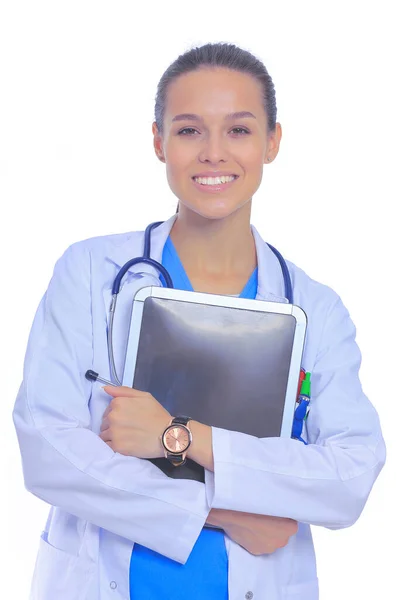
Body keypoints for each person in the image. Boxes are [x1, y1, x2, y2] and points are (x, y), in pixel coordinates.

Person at [12, 42, 386, 600]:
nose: (214, 153)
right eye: (189, 131)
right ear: (159, 142)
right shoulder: (91, 273)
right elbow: (47, 450)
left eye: (238, 130)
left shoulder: (316, 307)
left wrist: (178, 438)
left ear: (272, 142)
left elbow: (349, 478)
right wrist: (225, 510)